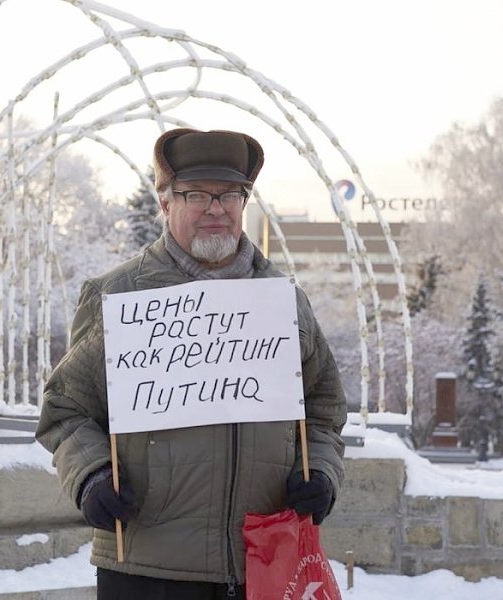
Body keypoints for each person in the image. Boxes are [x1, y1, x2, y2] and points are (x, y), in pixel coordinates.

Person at [36, 128, 347, 599]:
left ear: (244, 203)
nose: (215, 209)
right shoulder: (119, 296)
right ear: (166, 204)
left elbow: (323, 408)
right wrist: (92, 475)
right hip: (145, 568)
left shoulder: (283, 302)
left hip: (263, 561)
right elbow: (65, 409)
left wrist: (320, 472)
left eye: (229, 195)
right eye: (196, 195)